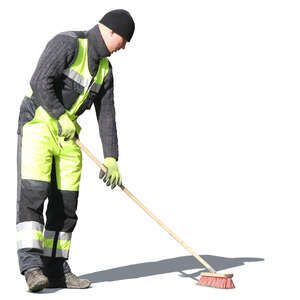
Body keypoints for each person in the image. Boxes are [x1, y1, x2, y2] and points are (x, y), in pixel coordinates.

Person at [16, 9, 135, 292]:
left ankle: (56, 269)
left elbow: (107, 114)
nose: (125, 46)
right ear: (112, 32)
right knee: (34, 194)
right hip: (38, 124)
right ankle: (32, 268)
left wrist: (111, 157)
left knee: (66, 203)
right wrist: (59, 114)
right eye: (125, 40)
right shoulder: (68, 43)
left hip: (69, 136)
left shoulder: (105, 70)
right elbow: (40, 80)